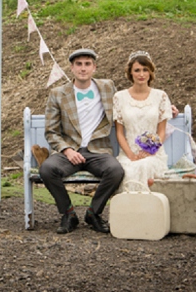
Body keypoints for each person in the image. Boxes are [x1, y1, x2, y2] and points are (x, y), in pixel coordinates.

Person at [40, 48, 124, 234]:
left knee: (115, 171)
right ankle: (68, 214)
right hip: (70, 151)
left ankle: (93, 213)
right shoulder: (58, 93)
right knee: (47, 169)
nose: (83, 68)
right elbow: (51, 131)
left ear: (94, 68)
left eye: (87, 64)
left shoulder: (108, 87)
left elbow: (129, 102)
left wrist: (166, 107)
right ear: (72, 68)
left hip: (97, 151)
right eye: (79, 64)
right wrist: (67, 150)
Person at [113, 51, 172, 193]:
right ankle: (130, 210)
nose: (141, 74)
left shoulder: (160, 96)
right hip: (129, 152)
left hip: (153, 152)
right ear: (130, 73)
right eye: (137, 70)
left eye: (145, 70)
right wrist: (131, 155)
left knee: (145, 166)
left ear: (150, 72)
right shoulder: (119, 97)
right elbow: (119, 133)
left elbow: (161, 131)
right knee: (129, 170)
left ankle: (149, 210)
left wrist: (150, 150)